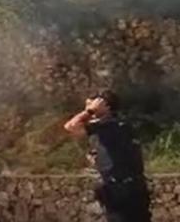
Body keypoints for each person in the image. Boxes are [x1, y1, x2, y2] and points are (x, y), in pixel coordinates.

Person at [64, 89, 151, 222]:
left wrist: (89, 112)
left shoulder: (103, 126)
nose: (88, 110)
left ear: (105, 106)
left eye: (91, 106)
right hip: (135, 188)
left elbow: (70, 126)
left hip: (120, 190)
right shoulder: (124, 125)